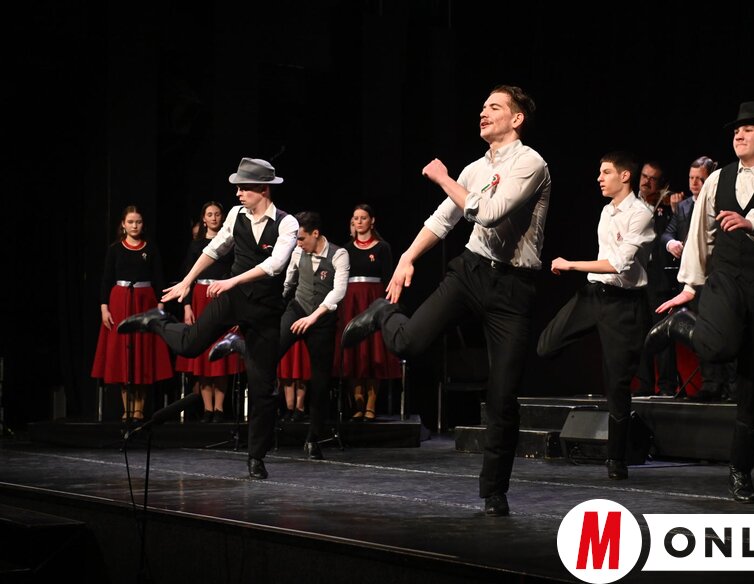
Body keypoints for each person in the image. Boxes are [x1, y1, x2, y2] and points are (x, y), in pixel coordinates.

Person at [341, 84, 551, 517]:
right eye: (482, 106)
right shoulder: (474, 169)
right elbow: (442, 220)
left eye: (494, 107)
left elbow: (488, 213)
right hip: (471, 272)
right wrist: (406, 257)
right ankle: (384, 313)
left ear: (516, 119)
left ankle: (494, 491)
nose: (483, 112)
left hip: (513, 288)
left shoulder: (531, 163)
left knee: (503, 395)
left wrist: (442, 178)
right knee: (408, 342)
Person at [645, 101, 754, 503]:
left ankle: (741, 472)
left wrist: (752, 221)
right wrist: (690, 285)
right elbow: (701, 233)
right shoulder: (718, 179)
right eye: (736, 130)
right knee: (717, 346)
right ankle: (681, 324)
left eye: (748, 129)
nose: (739, 134)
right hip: (726, 278)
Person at [117, 157, 298, 480]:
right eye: (237, 188)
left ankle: (256, 457)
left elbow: (275, 265)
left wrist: (232, 281)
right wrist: (187, 281)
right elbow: (215, 248)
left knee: (263, 390)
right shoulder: (236, 215)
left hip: (265, 310)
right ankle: (155, 321)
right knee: (189, 346)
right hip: (233, 299)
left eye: (244, 188)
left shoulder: (286, 223)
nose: (238, 193)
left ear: (263, 189)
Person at [537, 151, 655, 482]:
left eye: (606, 172)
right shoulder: (607, 211)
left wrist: (571, 264)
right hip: (593, 296)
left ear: (624, 176)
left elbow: (618, 264)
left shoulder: (641, 214)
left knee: (617, 383)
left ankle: (616, 458)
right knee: (546, 346)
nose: (599, 178)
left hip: (623, 305)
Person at [211, 211, 350, 460]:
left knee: (320, 382)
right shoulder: (297, 252)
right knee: (268, 355)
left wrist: (313, 318)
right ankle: (240, 345)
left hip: (322, 320)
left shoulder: (339, 254)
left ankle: (313, 439)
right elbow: (287, 284)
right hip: (297, 310)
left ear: (316, 233)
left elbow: (337, 293)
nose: (298, 243)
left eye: (302, 238)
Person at [662, 156, 737, 402]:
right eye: (691, 178)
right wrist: (672, 244)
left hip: (716, 274)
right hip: (694, 279)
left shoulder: (721, 201)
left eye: (700, 179)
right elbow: (668, 233)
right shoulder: (683, 206)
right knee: (702, 332)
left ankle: (731, 385)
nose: (694, 183)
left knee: (724, 330)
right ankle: (710, 383)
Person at [91, 205, 174, 422]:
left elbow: (159, 278)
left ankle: (139, 409)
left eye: (138, 222)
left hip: (145, 301)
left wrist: (160, 305)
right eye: (130, 222)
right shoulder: (115, 249)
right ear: (123, 224)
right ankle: (126, 408)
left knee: (142, 353)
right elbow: (106, 279)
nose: (134, 226)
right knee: (123, 355)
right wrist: (104, 308)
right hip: (120, 302)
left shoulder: (151, 249)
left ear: (142, 224)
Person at [174, 201, 244, 423]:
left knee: (221, 357)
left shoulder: (230, 244)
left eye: (217, 214)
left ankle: (219, 409)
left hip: (223, 296)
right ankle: (207, 409)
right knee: (203, 357)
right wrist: (187, 306)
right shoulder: (196, 245)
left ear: (222, 218)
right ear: (203, 219)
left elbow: (237, 274)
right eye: (209, 214)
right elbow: (187, 277)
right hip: (200, 298)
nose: (214, 218)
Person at [336, 204, 401, 422]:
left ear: (372, 221)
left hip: (374, 301)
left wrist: (387, 307)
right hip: (351, 302)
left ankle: (371, 404)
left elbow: (389, 279)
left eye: (363, 218)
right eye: (356, 218)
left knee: (374, 352)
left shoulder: (382, 248)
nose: (359, 221)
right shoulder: (345, 249)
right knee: (354, 352)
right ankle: (357, 403)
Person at [634, 160, 678, 397]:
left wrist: (673, 208)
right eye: (644, 176)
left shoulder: (666, 208)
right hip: (635, 276)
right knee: (639, 333)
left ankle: (667, 387)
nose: (646, 182)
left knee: (661, 333)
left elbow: (667, 235)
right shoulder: (630, 204)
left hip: (658, 277)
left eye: (653, 179)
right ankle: (644, 385)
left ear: (661, 184)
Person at [279, 339, 310, 422]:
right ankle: (289, 408)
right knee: (286, 368)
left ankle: (299, 408)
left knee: (301, 368)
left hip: (301, 336)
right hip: (286, 334)